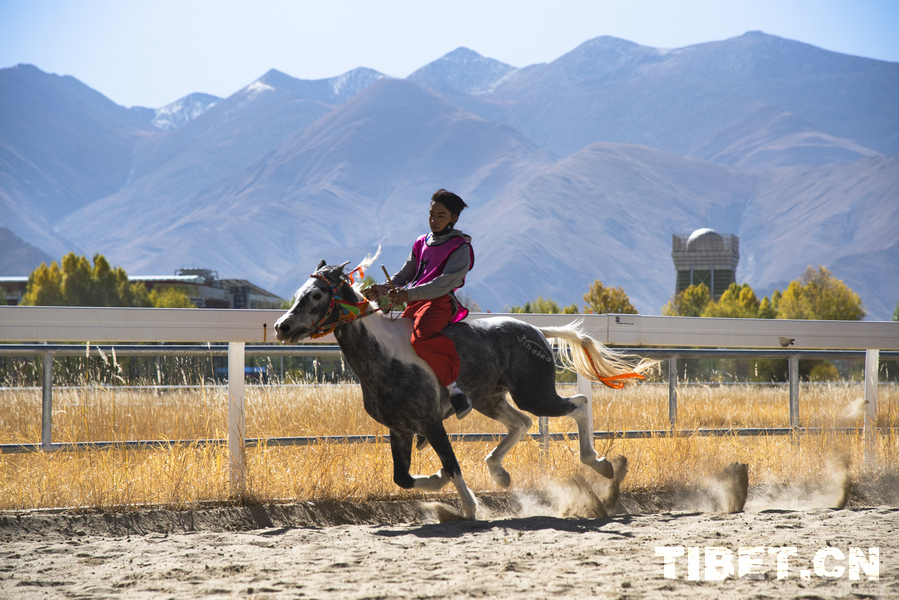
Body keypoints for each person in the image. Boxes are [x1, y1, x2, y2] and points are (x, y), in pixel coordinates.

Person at [364, 189, 474, 419]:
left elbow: (442, 284)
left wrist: (408, 295)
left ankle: (455, 392)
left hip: (439, 303)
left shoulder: (460, 247)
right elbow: (405, 273)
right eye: (431, 214)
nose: (434, 220)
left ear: (454, 218)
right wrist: (382, 289)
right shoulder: (421, 242)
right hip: (414, 301)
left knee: (421, 338)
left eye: (441, 216)